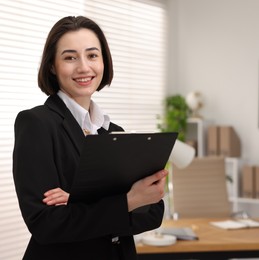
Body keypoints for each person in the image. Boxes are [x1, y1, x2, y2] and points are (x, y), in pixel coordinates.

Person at [12, 16, 168, 260]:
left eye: (92, 55)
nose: (84, 67)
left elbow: (153, 212)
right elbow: (46, 224)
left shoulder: (114, 132)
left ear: (103, 60)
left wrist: (78, 202)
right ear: (52, 66)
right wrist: (127, 201)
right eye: (70, 57)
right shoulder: (37, 124)